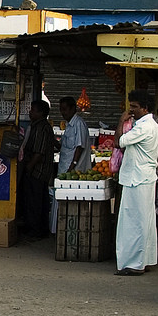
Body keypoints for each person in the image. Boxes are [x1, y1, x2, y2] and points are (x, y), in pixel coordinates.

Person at [114, 91, 158, 276]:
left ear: (145, 108)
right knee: (145, 222)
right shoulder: (153, 126)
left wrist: (121, 121)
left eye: (134, 106)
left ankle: (134, 264)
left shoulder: (144, 128)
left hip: (137, 179)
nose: (131, 110)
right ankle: (145, 260)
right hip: (144, 178)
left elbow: (119, 142)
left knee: (133, 222)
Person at [17, 99, 56, 238]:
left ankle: (36, 231)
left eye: (33, 110)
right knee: (39, 200)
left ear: (41, 113)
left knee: (35, 201)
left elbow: (39, 152)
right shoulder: (39, 126)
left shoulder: (41, 128)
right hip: (40, 170)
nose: (30, 112)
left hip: (38, 171)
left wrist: (29, 167)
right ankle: (38, 229)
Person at [52, 96, 89, 231]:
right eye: (61, 110)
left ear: (73, 108)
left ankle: (66, 229)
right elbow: (63, 147)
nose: (63, 113)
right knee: (60, 199)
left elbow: (79, 147)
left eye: (65, 109)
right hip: (64, 169)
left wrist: (72, 167)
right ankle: (58, 229)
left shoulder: (78, 124)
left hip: (73, 171)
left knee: (69, 201)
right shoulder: (68, 125)